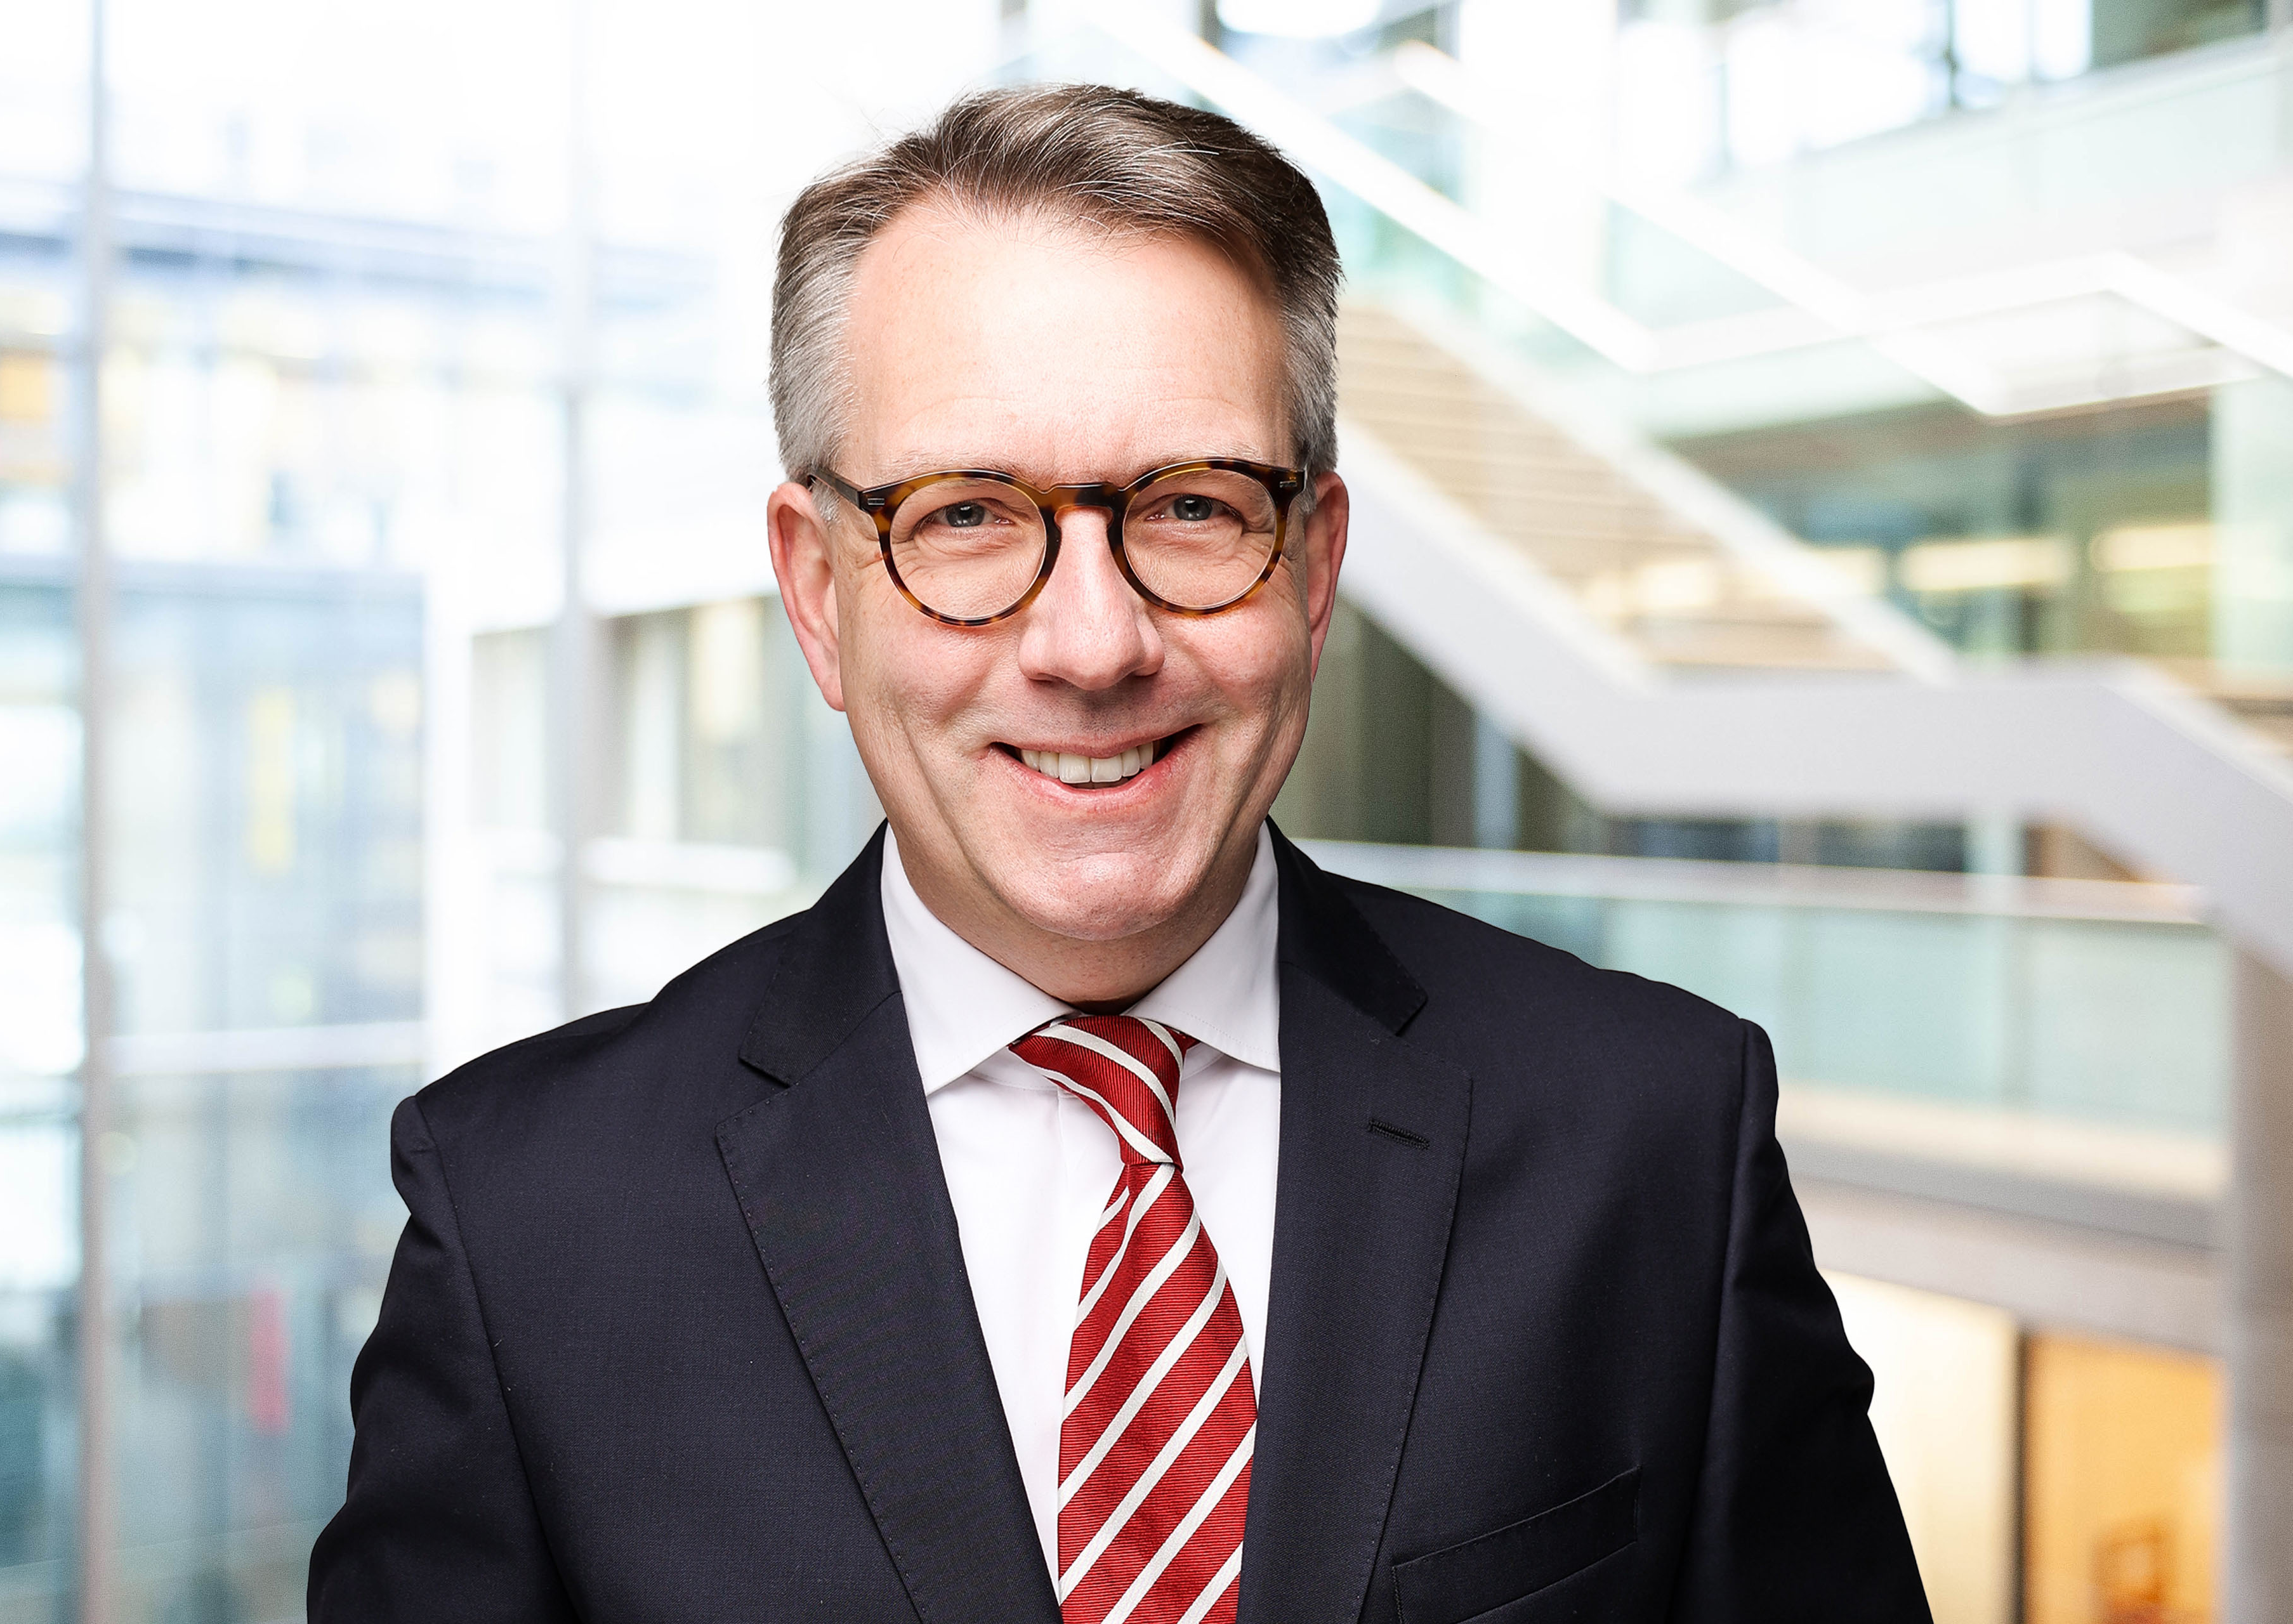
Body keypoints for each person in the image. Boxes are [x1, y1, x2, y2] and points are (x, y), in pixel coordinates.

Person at [308, 85, 1929, 1624]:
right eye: (963, 515)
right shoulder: (529, 1222)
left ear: (1314, 567)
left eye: (1195, 507)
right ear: (815, 589)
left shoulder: (1655, 1135)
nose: (1093, 644)